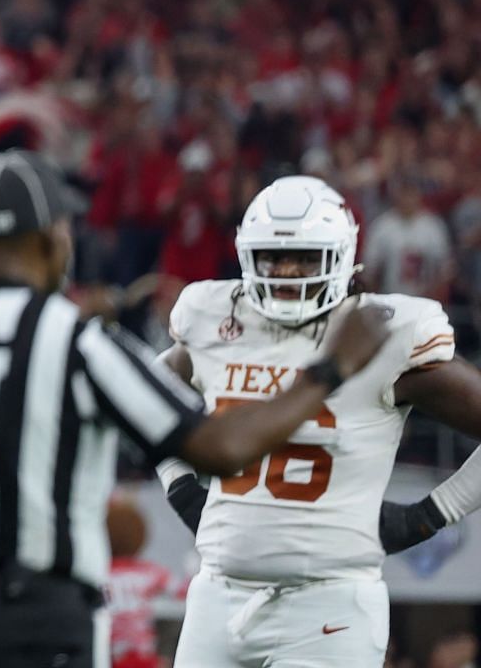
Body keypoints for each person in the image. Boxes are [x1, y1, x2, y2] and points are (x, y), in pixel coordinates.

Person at [0, 150, 391, 668]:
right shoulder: (75, 340)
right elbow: (220, 447)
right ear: (54, 238)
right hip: (38, 625)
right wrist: (330, 368)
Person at [156, 175, 481, 667]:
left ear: (342, 255)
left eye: (305, 257)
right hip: (217, 595)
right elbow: (145, 395)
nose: (287, 271)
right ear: (248, 257)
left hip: (328, 605)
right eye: (273, 257)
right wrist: (180, 485)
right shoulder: (218, 320)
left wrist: (432, 514)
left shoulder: (383, 333)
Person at [101, 491, 178, 668]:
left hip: (108, 655)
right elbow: (182, 589)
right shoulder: (148, 573)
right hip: (142, 657)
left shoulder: (99, 573)